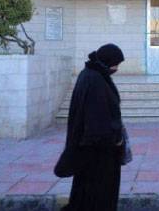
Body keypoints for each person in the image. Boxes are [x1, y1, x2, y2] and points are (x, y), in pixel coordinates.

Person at [57, 43, 127, 211]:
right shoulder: (95, 80)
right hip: (98, 152)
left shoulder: (91, 75)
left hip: (91, 150)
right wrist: (116, 139)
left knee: (86, 192)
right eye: (115, 64)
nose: (116, 68)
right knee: (98, 193)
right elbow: (97, 118)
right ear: (108, 61)